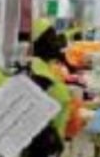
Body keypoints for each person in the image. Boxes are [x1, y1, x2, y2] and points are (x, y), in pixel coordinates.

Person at [31, 18, 72, 146]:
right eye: (52, 39)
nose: (57, 44)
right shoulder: (40, 75)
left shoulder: (43, 68)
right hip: (45, 146)